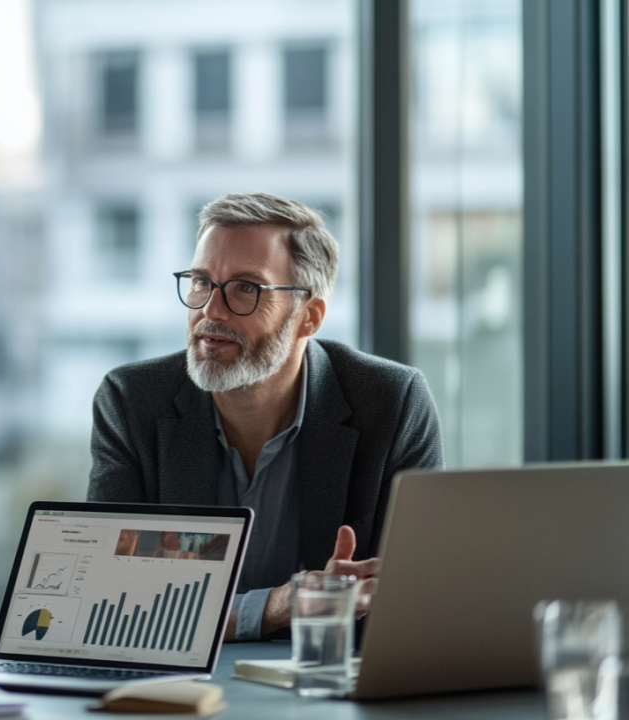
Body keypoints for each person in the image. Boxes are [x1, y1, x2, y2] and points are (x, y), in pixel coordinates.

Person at [87, 192, 442, 642]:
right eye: (201, 281)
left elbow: (417, 596)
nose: (209, 312)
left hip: (327, 686)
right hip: (175, 691)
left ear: (308, 318)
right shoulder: (133, 401)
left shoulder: (390, 402)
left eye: (246, 288)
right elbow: (108, 597)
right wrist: (277, 606)